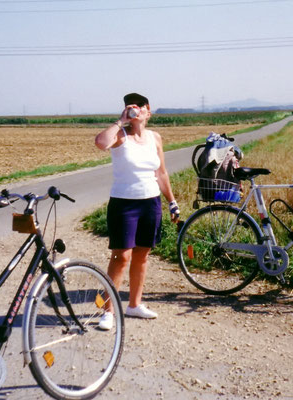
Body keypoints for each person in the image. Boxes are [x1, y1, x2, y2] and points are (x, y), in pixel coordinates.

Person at [94, 93, 180, 330]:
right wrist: (119, 122)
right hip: (124, 204)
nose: (135, 109)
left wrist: (172, 202)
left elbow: (161, 173)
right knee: (121, 257)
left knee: (142, 255)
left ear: (148, 112)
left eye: (140, 105)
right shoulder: (120, 136)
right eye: (129, 106)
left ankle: (134, 305)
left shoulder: (155, 138)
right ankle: (108, 311)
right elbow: (101, 143)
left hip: (150, 203)